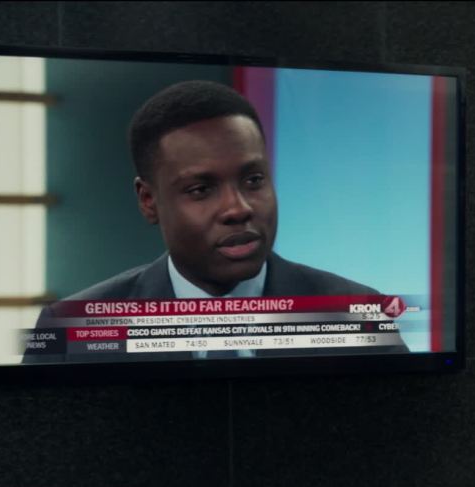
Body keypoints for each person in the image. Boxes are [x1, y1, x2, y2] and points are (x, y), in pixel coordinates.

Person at [27, 80, 406, 362]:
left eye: (253, 180)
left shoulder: (357, 315)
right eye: (201, 189)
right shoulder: (71, 330)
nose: (238, 209)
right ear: (148, 201)